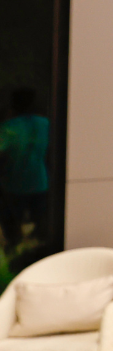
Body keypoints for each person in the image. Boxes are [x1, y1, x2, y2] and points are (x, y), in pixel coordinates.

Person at [0, 88, 49, 251]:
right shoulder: (45, 123)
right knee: (40, 225)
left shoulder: (9, 127)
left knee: (12, 224)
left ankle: (14, 249)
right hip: (40, 182)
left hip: (14, 184)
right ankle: (37, 250)